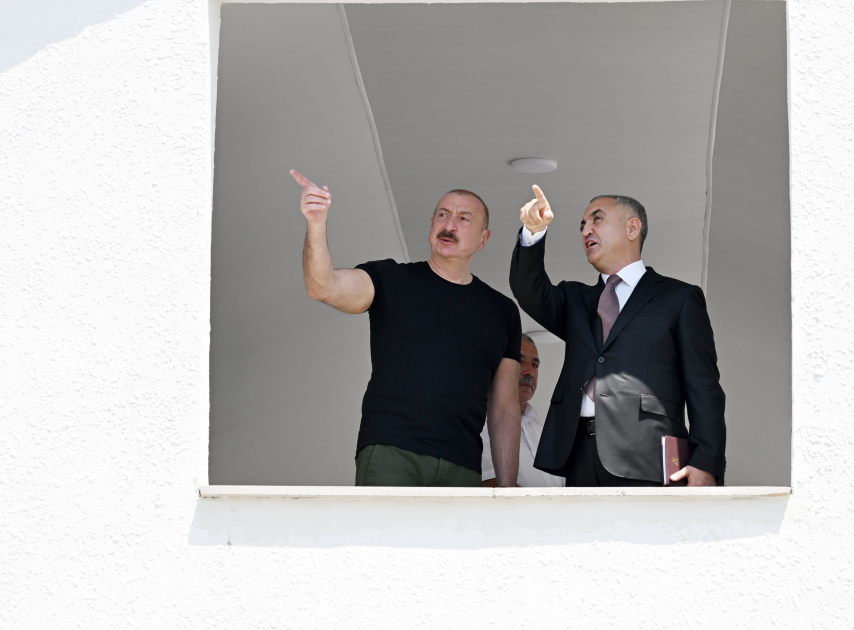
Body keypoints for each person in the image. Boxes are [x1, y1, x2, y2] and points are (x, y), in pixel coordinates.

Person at [290, 169, 522, 487]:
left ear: (483, 239)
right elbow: (323, 287)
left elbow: (505, 408)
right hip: (392, 452)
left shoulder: (502, 311)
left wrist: (508, 490)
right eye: (443, 214)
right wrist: (316, 224)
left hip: (463, 465)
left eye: (464, 219)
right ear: (430, 226)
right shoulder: (391, 280)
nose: (449, 225)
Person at [509, 185, 726, 487]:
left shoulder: (679, 298)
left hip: (648, 455)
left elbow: (704, 387)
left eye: (597, 219)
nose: (586, 230)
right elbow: (528, 289)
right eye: (582, 225)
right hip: (578, 454)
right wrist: (533, 232)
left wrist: (705, 462)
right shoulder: (576, 300)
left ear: (632, 228)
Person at [481, 334, 565, 488]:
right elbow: (491, 488)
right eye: (519, 361)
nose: (530, 372)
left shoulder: (540, 427)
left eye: (535, 365)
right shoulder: (478, 422)